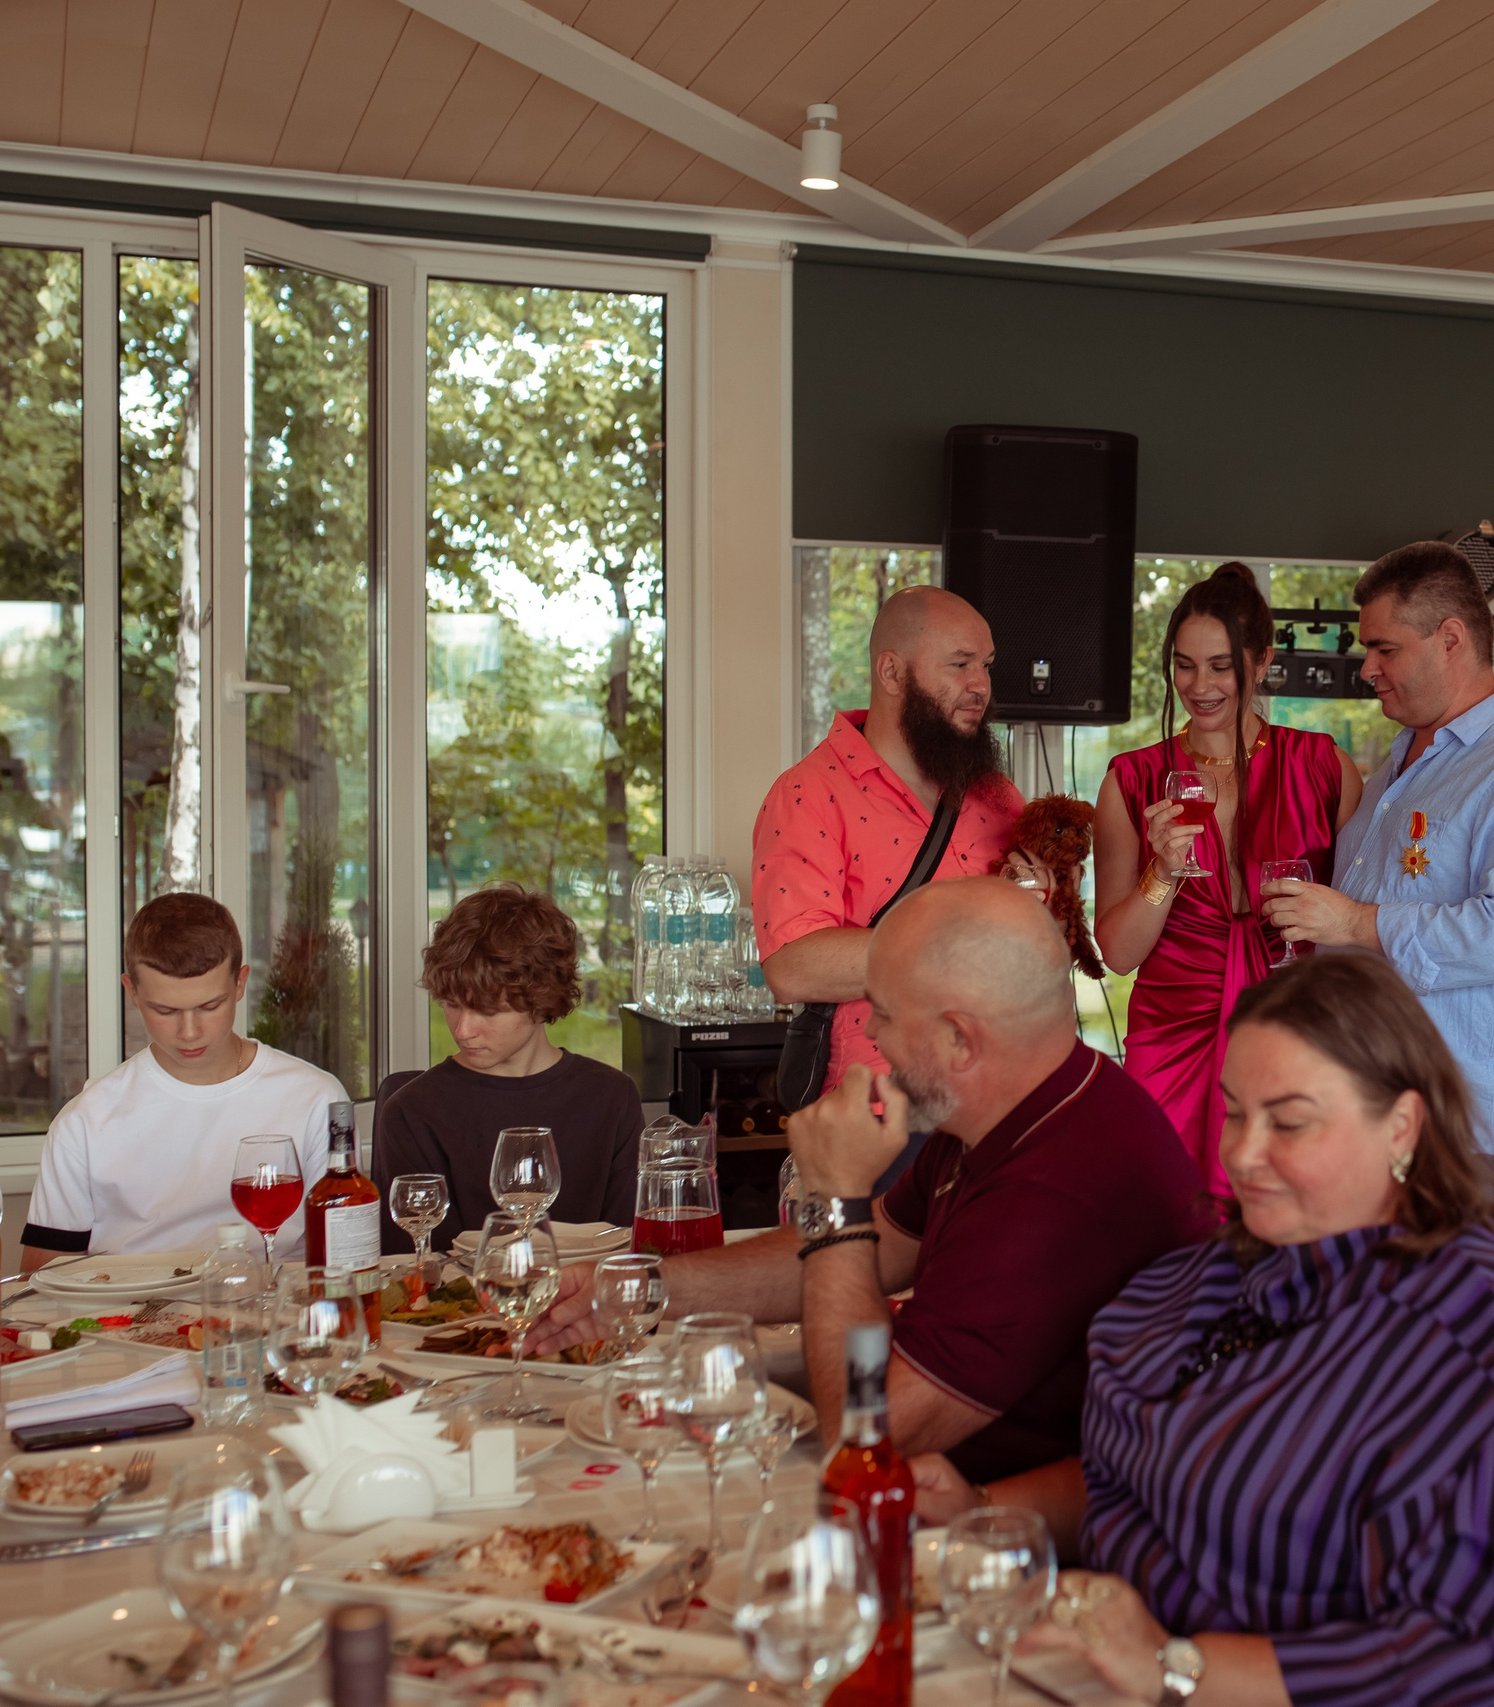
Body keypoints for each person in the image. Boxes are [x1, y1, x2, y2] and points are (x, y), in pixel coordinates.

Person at [911, 951, 1494, 1706]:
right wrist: (980, 1512)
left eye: (1289, 1122)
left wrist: (1176, 1667)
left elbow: (1484, 1660)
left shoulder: (1486, 1343)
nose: (1243, 1153)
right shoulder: (1223, 1272)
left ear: (1402, 1127)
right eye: (1237, 1112)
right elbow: (1152, 1468)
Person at [531, 878, 1211, 1481]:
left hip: (1001, 1533)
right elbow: (878, 1243)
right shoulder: (1007, 1106)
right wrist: (640, 1289)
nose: (874, 1035)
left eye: (882, 1011)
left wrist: (834, 1192)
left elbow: (862, 1434)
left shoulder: (1057, 1187)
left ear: (959, 1040)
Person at [1260, 540, 1494, 1248]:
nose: (1367, 668)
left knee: (1466, 1326)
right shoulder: (1395, 770)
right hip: (1381, 1121)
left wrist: (1356, 922)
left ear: (1450, 639)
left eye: (1384, 648)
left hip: (1476, 1135)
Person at [1094, 563, 1359, 1189]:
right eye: (1184, 665)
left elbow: (1359, 931)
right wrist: (1163, 872)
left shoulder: (1324, 767)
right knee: (1167, 1211)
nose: (1199, 685)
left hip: (1293, 1029)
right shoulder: (1131, 780)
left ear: (1262, 661)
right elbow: (1120, 955)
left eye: (1220, 666)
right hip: (1171, 1037)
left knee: (1282, 1207)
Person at [753, 585, 1029, 1112]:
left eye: (987, 666)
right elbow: (792, 967)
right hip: (881, 1115)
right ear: (892, 672)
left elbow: (1037, 943)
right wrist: (959, 944)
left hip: (1003, 1101)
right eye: (960, 664)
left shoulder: (998, 795)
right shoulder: (808, 793)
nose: (981, 686)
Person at [22, 892, 348, 1267]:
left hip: (277, 1302)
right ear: (132, 992)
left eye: (210, 1006)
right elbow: (40, 1280)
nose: (189, 1032)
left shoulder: (316, 1099)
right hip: (129, 1303)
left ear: (240, 984)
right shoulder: (84, 1122)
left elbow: (344, 1260)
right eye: (165, 1010)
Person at [373, 885, 642, 1247]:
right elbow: (421, 1264)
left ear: (541, 1001)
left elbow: (628, 1246)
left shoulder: (613, 1097)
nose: (462, 1030)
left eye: (488, 1010)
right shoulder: (410, 1112)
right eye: (452, 1004)